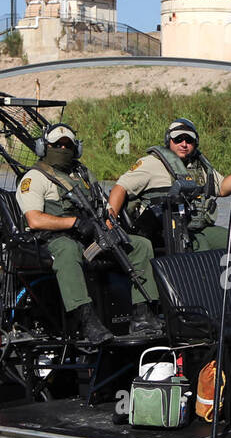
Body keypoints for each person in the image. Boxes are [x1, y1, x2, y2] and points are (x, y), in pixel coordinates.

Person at [15, 123, 162, 344]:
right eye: (57, 145)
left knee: (140, 245)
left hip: (91, 237)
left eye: (68, 145)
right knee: (67, 249)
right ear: (43, 147)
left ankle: (143, 314)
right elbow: (34, 219)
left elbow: (103, 205)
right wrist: (73, 222)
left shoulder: (82, 174)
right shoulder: (34, 178)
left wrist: (109, 225)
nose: (63, 149)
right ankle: (86, 319)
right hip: (54, 239)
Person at [107, 118, 231, 253]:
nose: (184, 144)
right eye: (178, 139)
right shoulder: (151, 163)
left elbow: (222, 188)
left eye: (189, 140)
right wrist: (110, 220)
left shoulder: (200, 166)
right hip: (165, 232)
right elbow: (120, 187)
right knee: (200, 245)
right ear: (168, 141)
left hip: (198, 228)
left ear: (195, 143)